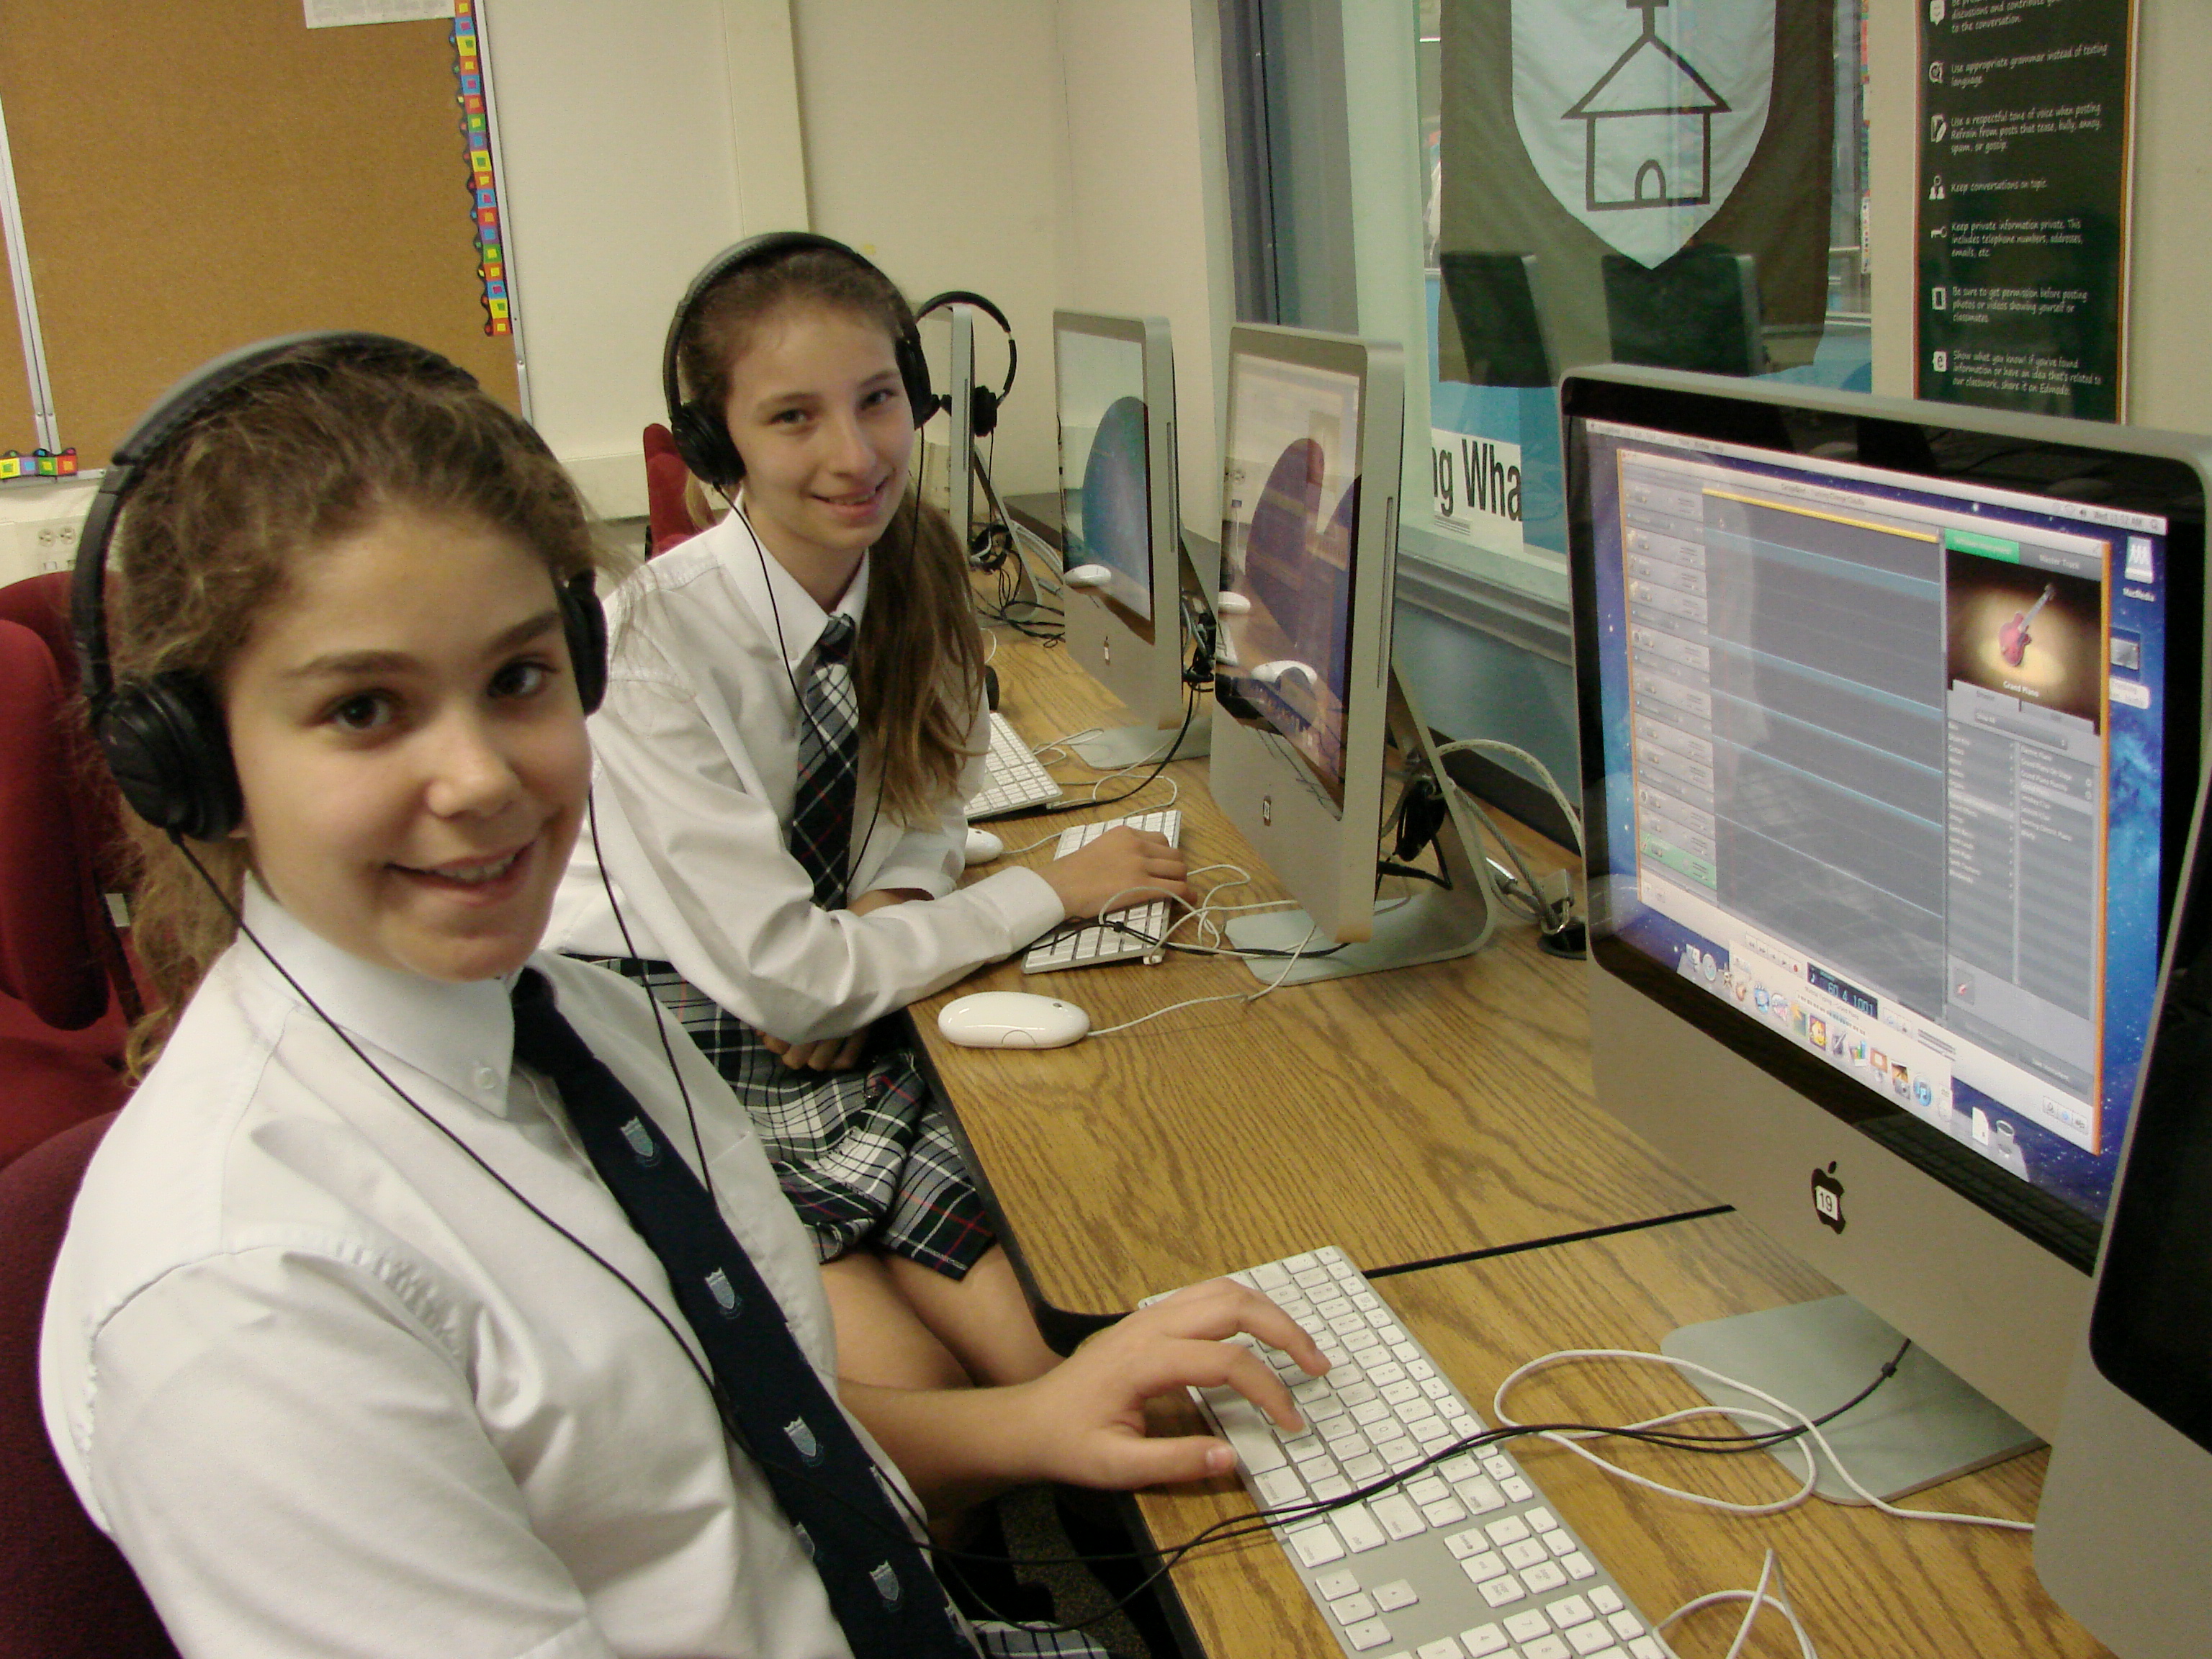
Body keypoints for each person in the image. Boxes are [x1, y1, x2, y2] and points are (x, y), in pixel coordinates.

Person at [40, 336, 1320, 1659]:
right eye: (365, 710)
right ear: (189, 764)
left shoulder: (585, 1026)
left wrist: (1036, 1418)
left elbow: (727, 1439)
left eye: (519, 680)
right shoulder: (247, 1294)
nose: (481, 779)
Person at [549, 235, 1193, 1393]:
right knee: (926, 1381)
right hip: (659, 1023)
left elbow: (923, 815)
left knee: (1042, 1334)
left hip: (817, 988)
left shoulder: (916, 581)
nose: (855, 455)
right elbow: (789, 987)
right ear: (718, 443)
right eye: (793, 417)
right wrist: (1049, 889)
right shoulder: (649, 643)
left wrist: (887, 910)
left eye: (878, 400)